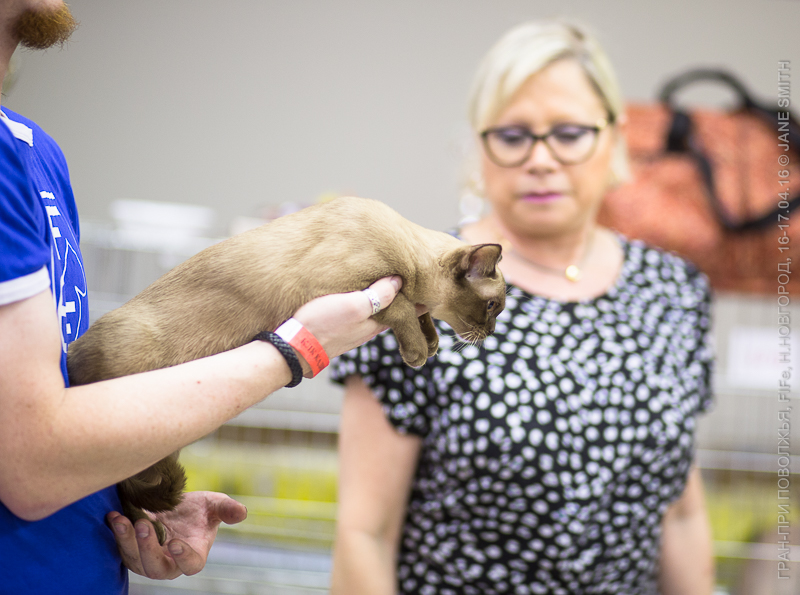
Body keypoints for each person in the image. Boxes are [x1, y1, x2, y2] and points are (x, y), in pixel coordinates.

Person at [0, 2, 401, 593]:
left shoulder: (35, 151)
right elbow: (32, 465)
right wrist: (296, 348)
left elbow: (44, 413)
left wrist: (134, 500)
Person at [330, 20, 715, 595]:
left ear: (614, 135)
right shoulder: (415, 290)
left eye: (569, 132)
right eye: (512, 135)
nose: (540, 158)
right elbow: (366, 534)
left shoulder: (673, 290)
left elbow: (681, 515)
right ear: (479, 145)